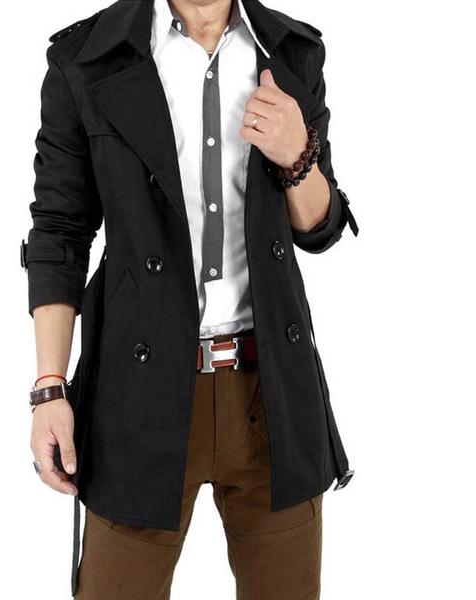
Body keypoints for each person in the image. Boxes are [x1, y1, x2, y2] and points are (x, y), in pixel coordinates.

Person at [21, 0, 358, 598]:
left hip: (272, 397)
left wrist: (298, 155)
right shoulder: (87, 57)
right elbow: (59, 233)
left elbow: (318, 229)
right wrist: (50, 388)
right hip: (138, 395)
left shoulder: (293, 52)